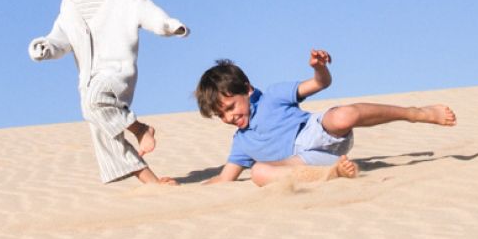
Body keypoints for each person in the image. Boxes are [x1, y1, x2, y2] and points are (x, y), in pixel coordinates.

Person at [29, 0, 188, 185]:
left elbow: (145, 9)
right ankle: (152, 182)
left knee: (96, 103)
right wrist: (46, 47)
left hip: (116, 72)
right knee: (104, 133)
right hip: (88, 78)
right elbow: (63, 34)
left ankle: (140, 129)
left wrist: (169, 25)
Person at [195, 49, 457, 186]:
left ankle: (416, 113)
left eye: (230, 107)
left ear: (247, 90)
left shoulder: (273, 96)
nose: (228, 117)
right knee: (259, 173)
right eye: (221, 115)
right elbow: (224, 178)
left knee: (343, 116)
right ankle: (333, 174)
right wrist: (180, 191)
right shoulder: (241, 142)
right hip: (306, 162)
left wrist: (319, 68)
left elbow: (320, 84)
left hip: (317, 131)